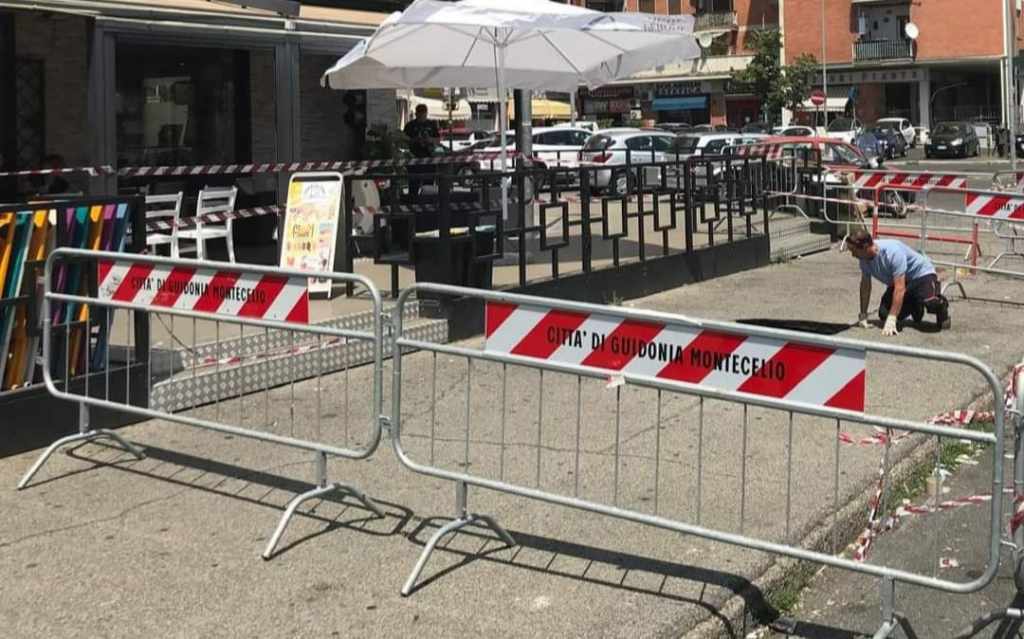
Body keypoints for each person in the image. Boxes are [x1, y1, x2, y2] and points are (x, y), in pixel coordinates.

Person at [847, 230, 950, 335]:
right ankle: (916, 303)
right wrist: (863, 315)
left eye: (853, 251)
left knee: (931, 303)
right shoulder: (864, 259)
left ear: (865, 247)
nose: (853, 255)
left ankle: (942, 307)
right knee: (884, 313)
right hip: (904, 281)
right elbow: (865, 287)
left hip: (922, 275)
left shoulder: (892, 252)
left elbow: (899, 289)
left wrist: (892, 318)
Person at [403, 104, 440, 196]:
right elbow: (404, 140)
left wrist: (429, 140)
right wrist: (416, 140)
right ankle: (413, 200)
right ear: (416, 114)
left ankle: (427, 201)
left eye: (423, 114)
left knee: (428, 186)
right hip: (414, 159)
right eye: (420, 114)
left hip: (429, 159)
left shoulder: (431, 124)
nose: (422, 116)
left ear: (426, 113)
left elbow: (438, 139)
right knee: (413, 185)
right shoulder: (410, 125)